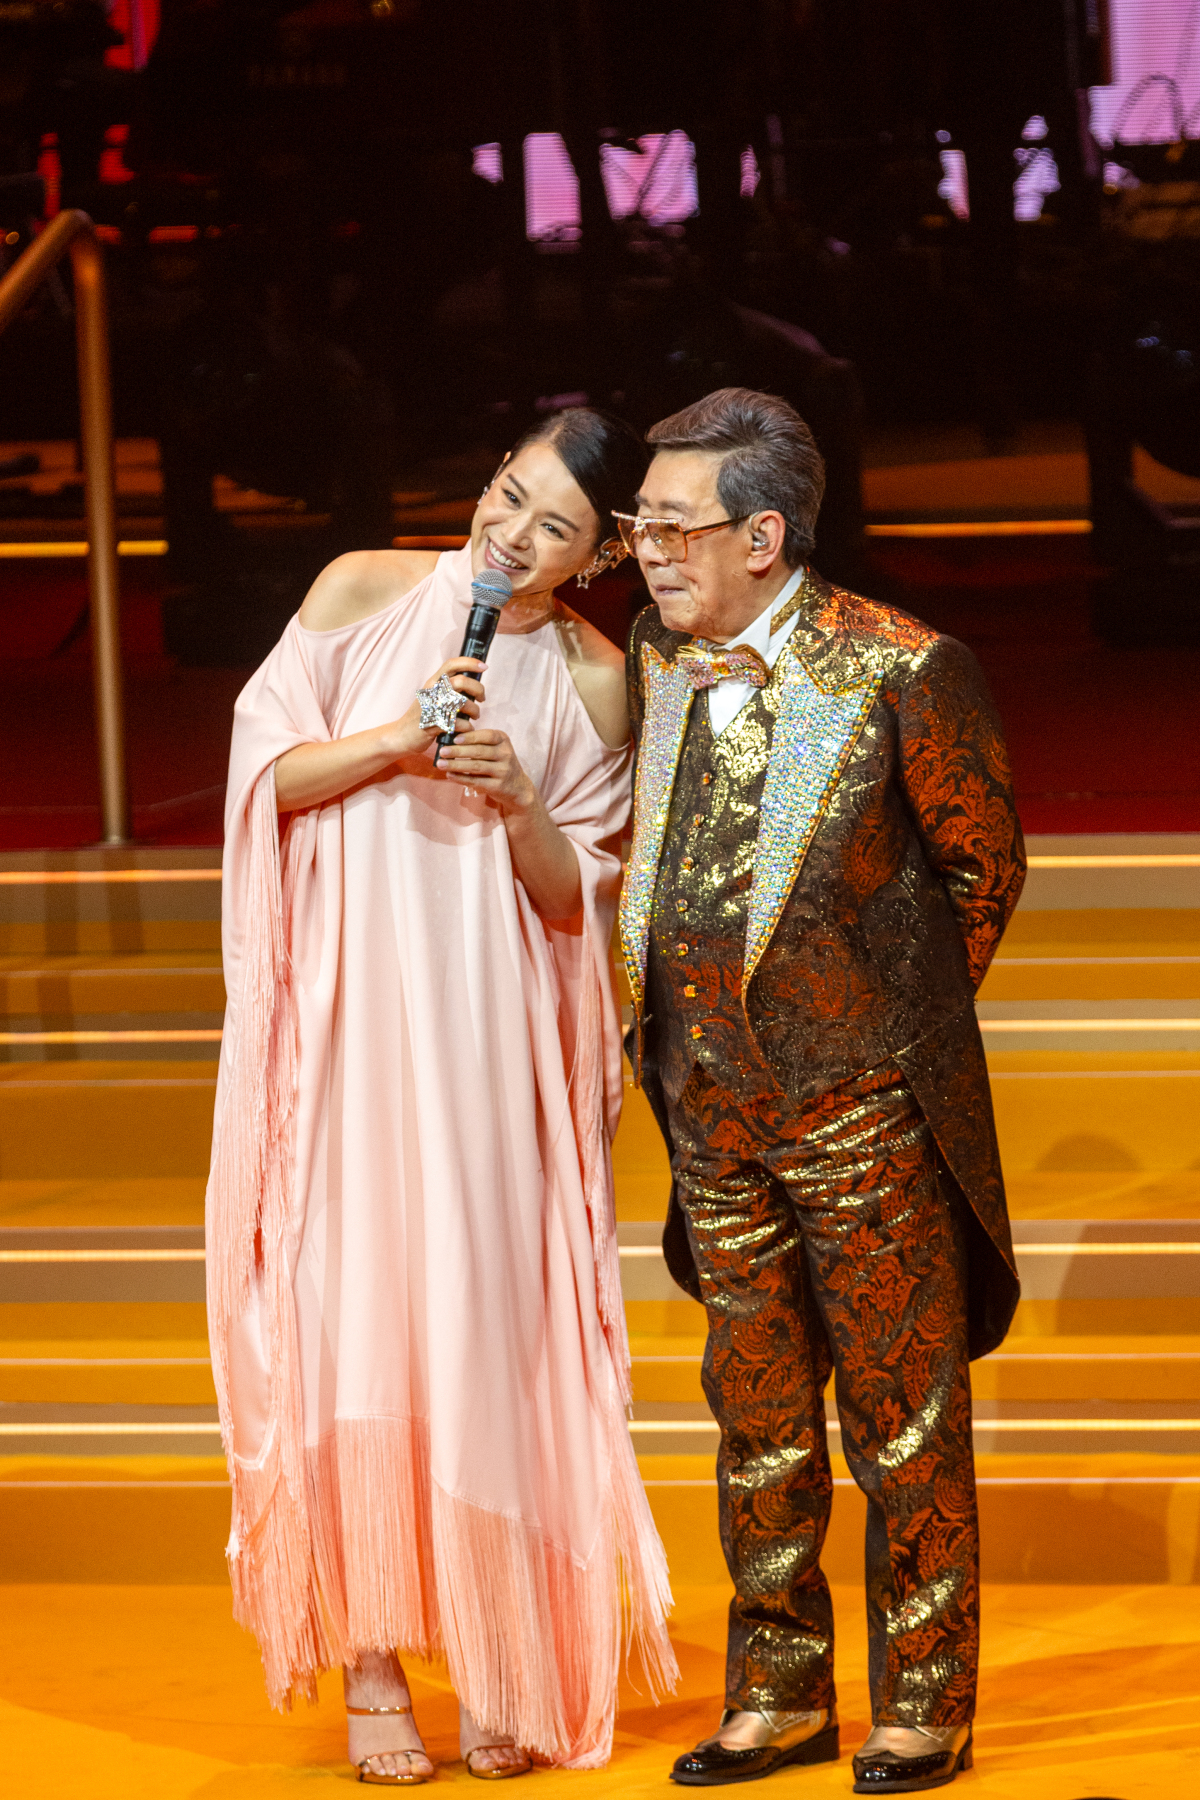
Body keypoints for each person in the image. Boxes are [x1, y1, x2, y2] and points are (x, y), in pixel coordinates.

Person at [206, 409, 677, 1785]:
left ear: (601, 558)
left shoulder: (596, 683)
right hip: (349, 1025)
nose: (509, 534)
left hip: (484, 1045)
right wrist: (395, 743)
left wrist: (522, 800)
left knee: (481, 1326)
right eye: (507, 495)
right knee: (354, 1318)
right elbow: (262, 780)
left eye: (552, 527)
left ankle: (495, 1646)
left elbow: (586, 901)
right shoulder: (360, 589)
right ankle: (369, 1663)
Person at [617, 388, 1026, 1792]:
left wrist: (866, 1027)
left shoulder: (903, 666)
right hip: (709, 1110)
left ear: (764, 536)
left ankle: (923, 1699)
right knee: (756, 1409)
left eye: (671, 526)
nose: (646, 551)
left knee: (903, 1419)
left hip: (864, 1108)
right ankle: (776, 1691)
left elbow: (982, 872)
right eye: (640, 524)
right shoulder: (659, 653)